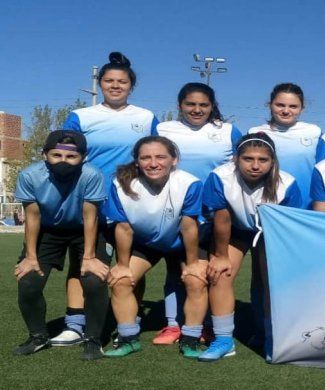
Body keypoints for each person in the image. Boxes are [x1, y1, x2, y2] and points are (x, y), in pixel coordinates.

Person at [56, 51, 158, 347]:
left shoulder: (145, 117)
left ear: (131, 85)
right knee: (83, 262)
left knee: (131, 262)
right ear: (100, 83)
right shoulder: (81, 117)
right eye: (109, 81)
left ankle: (130, 320)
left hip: (131, 200)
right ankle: (75, 323)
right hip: (89, 200)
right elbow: (66, 155)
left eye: (122, 82)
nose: (115, 86)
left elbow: (152, 156)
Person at [152, 82, 242, 345]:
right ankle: (172, 325)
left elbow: (244, 161)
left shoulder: (227, 131)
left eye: (203, 105)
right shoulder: (164, 129)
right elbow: (150, 157)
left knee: (213, 272)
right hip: (176, 212)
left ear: (212, 106)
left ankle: (207, 325)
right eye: (190, 104)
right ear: (180, 105)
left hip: (217, 214)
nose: (197, 109)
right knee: (175, 270)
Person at [102, 137, 209, 359]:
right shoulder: (120, 185)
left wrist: (192, 265)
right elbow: (123, 228)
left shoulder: (189, 183)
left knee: (195, 280)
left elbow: (189, 226)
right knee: (121, 280)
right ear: (137, 161)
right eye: (145, 158)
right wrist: (122, 265)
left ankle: (191, 337)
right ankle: (128, 338)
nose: (153, 163)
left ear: (174, 160)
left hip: (180, 242)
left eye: (160, 157)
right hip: (146, 244)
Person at [202, 132, 302, 361]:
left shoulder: (287, 183)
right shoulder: (221, 177)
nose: (255, 165)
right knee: (220, 274)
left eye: (263, 160)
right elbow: (222, 219)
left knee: (270, 282)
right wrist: (220, 255)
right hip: (235, 231)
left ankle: (272, 337)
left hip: (271, 233)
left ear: (272, 161)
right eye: (248, 159)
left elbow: (287, 226)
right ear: (236, 159)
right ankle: (224, 339)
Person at [12, 130, 110, 360]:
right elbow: (33, 217)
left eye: (71, 157)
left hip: (85, 229)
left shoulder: (92, 175)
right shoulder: (29, 175)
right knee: (28, 282)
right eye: (56, 155)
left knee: (94, 280)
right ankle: (38, 336)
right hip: (49, 230)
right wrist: (31, 256)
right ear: (45, 154)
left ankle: (93, 340)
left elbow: (90, 216)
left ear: (83, 157)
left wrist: (88, 257)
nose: (63, 161)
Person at [248, 83, 324, 208]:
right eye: (280, 105)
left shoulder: (313, 132)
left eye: (293, 106)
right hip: (268, 206)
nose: (286, 111)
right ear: (270, 105)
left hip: (307, 206)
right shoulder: (255, 133)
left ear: (302, 108)